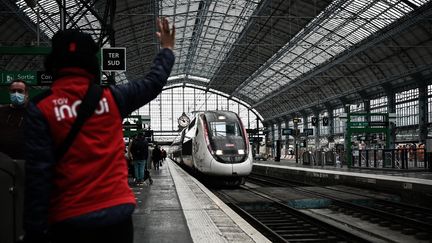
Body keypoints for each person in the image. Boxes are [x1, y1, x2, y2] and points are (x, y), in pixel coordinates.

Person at [23, 17, 175, 243]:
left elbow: (38, 176)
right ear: (92, 64)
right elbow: (153, 82)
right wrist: (166, 50)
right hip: (117, 217)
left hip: (69, 220)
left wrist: (34, 231)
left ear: (53, 64)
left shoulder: (41, 108)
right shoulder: (113, 98)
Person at [0, 79, 29, 160]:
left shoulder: (33, 113)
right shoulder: (1, 111)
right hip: (3, 161)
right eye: (13, 91)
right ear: (9, 93)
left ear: (26, 94)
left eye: (20, 91)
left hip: (24, 161)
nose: (16, 94)